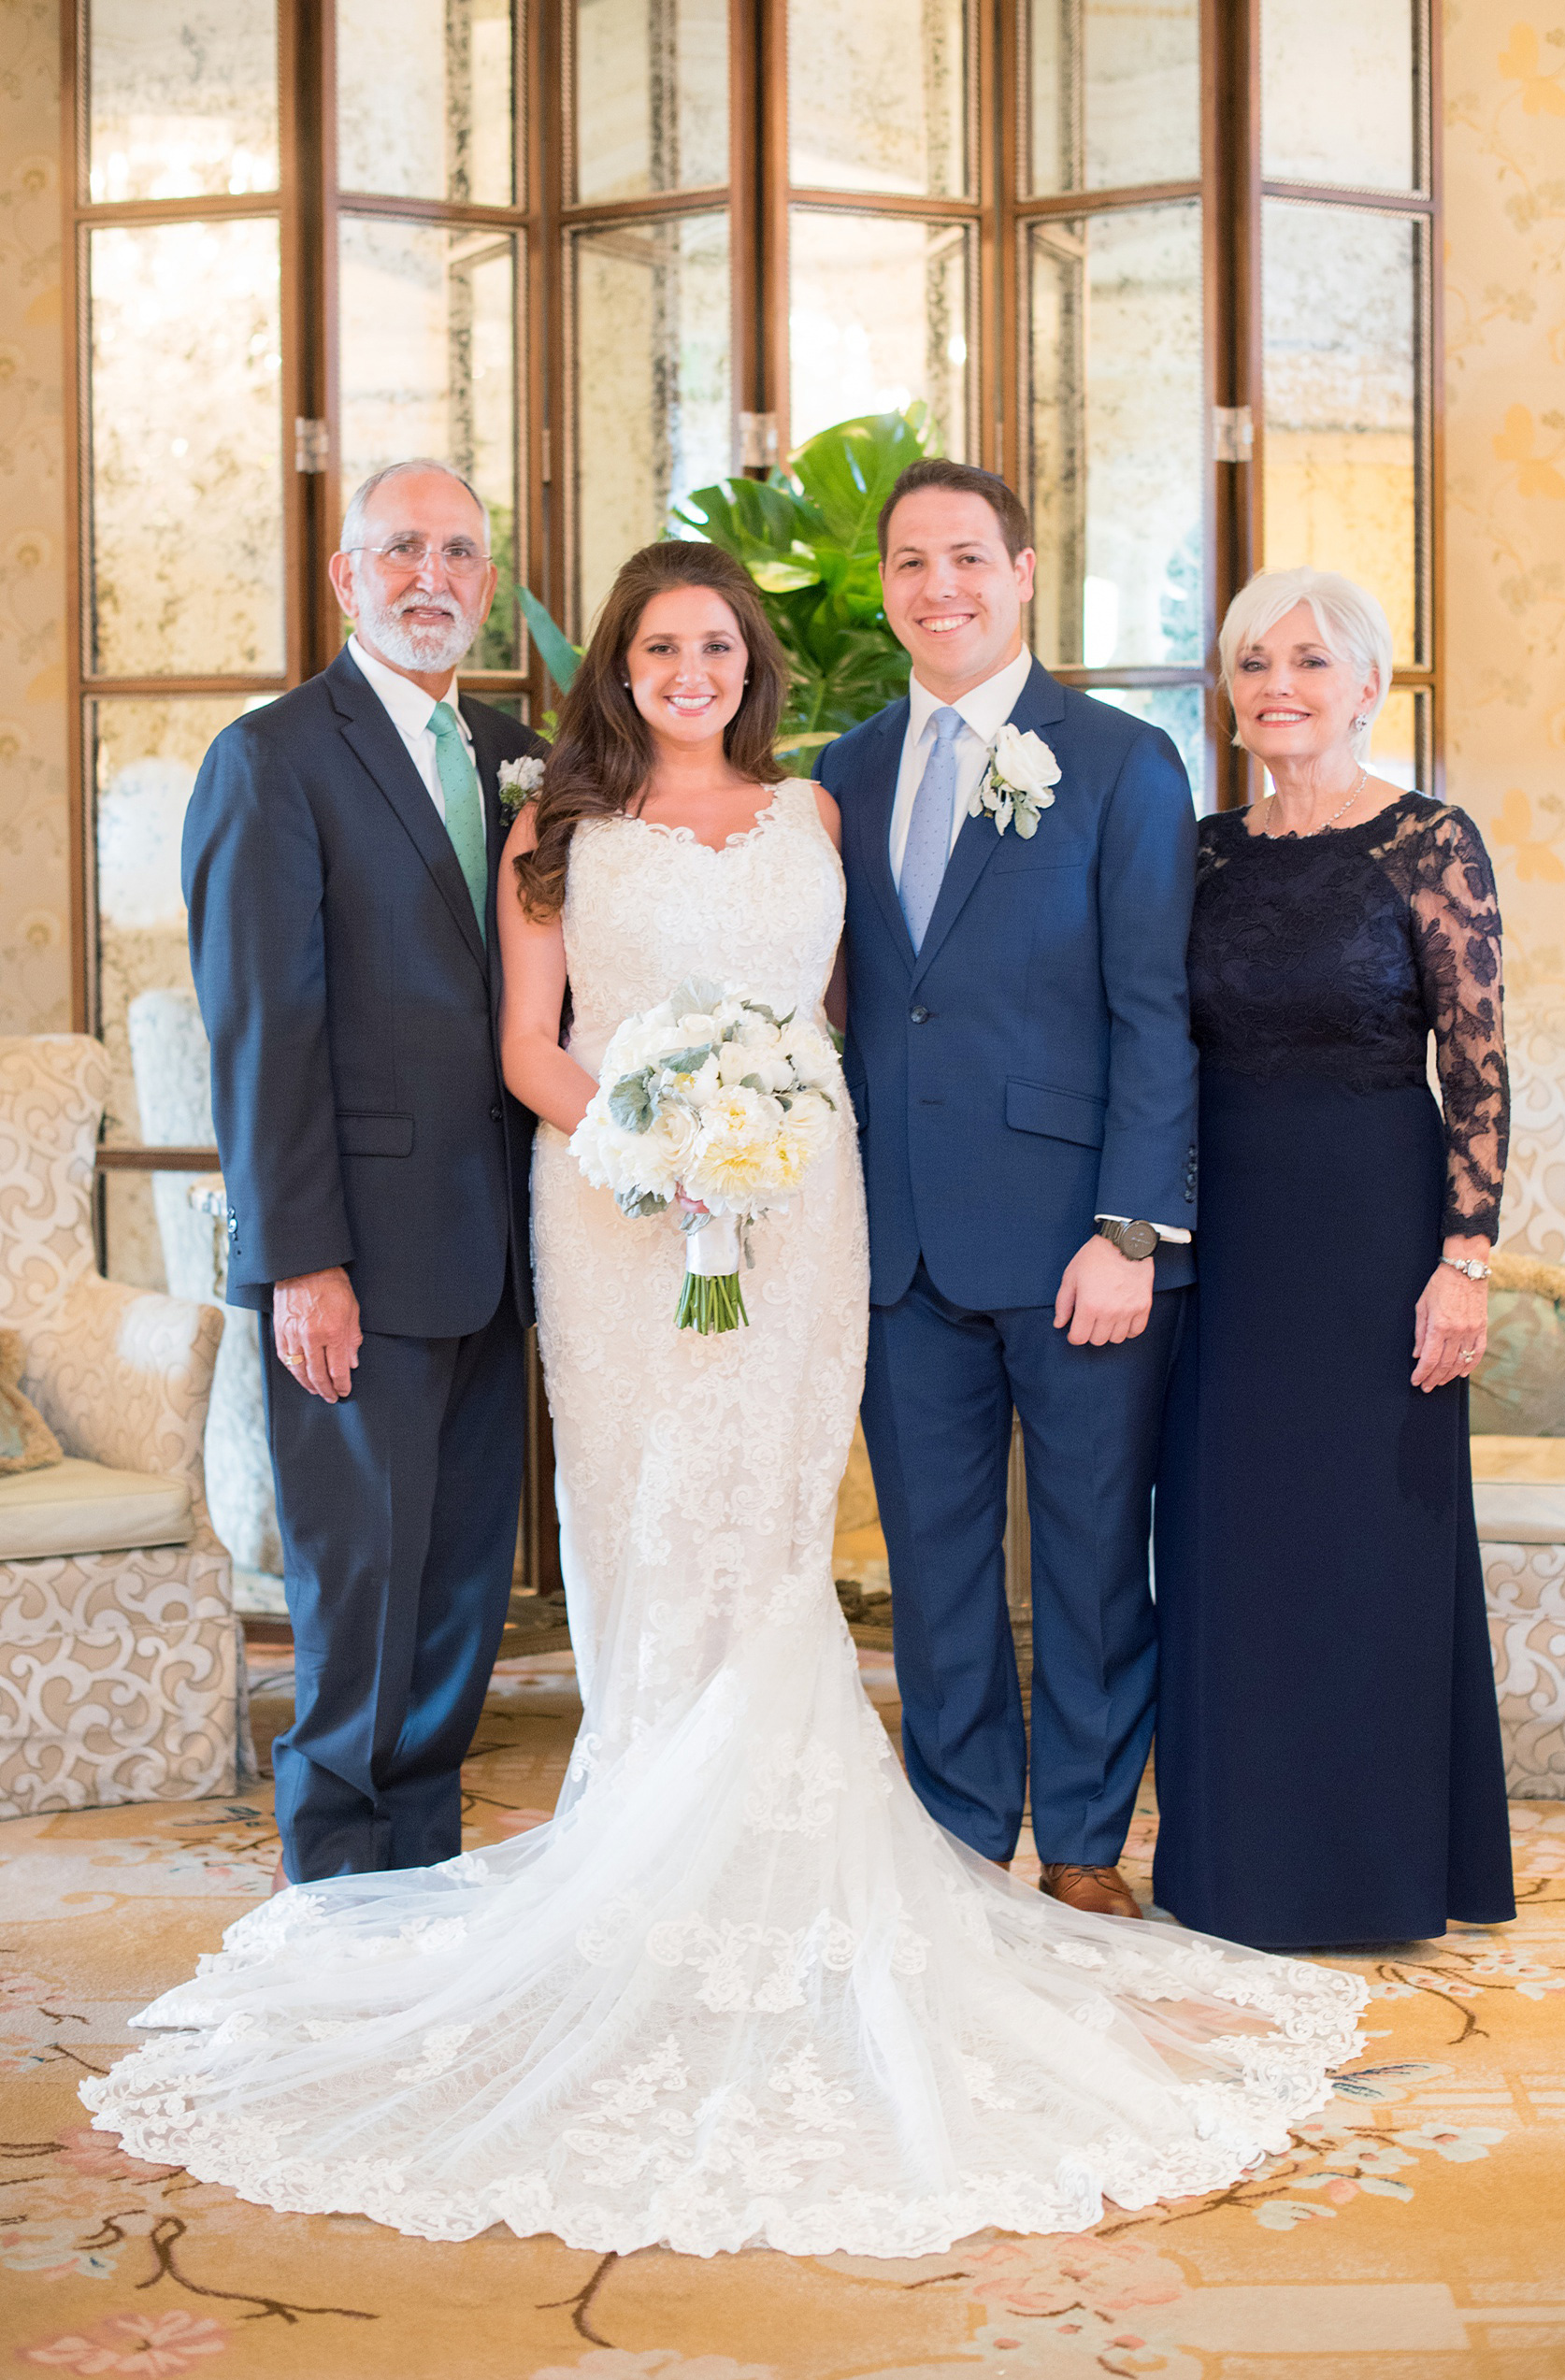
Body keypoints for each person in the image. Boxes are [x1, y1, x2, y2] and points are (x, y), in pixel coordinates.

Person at [83, 538, 1362, 2258]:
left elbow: (844, 1032)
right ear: (620, 665)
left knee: (765, 1525)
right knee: (636, 1523)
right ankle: (635, 1848)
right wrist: (654, 1131)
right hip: (616, 1212)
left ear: (752, 665)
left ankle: (799, 1854)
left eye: (717, 647)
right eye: (661, 647)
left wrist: (760, 1135)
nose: (690, 672)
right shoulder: (554, 830)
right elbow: (529, 1048)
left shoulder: (818, 818)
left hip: (796, 1219)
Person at [814, 460, 1199, 1918]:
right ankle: (965, 1833)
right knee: (934, 1569)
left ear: (1025, 571)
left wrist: (1129, 1228)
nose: (939, 588)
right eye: (911, 563)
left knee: (1098, 1559)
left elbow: (1157, 1011)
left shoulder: (1116, 760)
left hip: (1075, 1248)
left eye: (967, 557)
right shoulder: (843, 773)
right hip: (898, 1244)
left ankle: (1088, 1842)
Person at [179, 458, 544, 1885]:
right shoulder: (272, 759)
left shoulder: (516, 750)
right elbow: (262, 1034)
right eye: (401, 548)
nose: (432, 577)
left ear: (487, 582)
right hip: (356, 1259)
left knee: (457, 1590)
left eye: (459, 551)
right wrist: (298, 1260)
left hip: (496, 1250)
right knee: (357, 1595)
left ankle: (422, 1880)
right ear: (346, 576)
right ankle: (334, 1888)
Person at [1152, 565, 1516, 1950]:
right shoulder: (1199, 851)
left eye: (1309, 661)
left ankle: (1373, 1870)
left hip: (1377, 1235)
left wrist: (1463, 1261)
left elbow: (1478, 1069)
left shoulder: (1428, 841)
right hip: (1229, 1246)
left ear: (1367, 684)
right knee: (1233, 1543)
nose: (1279, 687)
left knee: (1372, 1545)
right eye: (1254, 664)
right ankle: (1238, 1868)